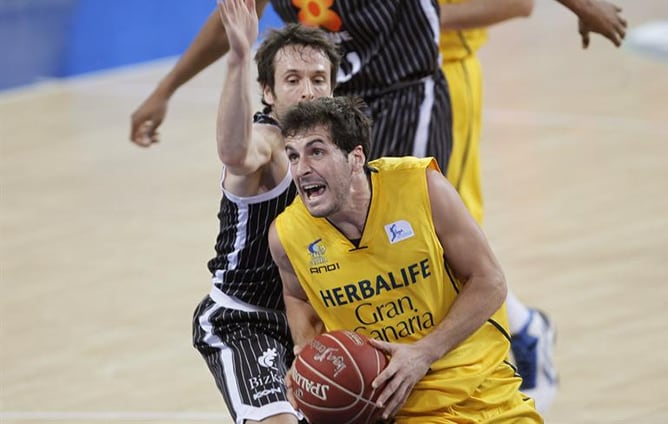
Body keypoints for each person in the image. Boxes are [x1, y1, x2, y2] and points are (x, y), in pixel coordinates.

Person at [267, 96, 542, 423]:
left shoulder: (422, 187)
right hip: (399, 408)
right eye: (293, 156)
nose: (301, 169)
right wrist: (308, 355)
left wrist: (424, 352)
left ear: (356, 158)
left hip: (486, 390)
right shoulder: (287, 236)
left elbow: (490, 281)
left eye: (316, 152)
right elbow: (297, 294)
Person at [437, 0, 627, 411]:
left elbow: (519, 4)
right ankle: (523, 327)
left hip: (442, 77)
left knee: (449, 238)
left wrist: (412, 24)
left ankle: (509, 349)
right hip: (360, 80)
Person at [184, 1, 340, 423]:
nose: (307, 91)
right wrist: (237, 58)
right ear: (268, 92)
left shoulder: (342, 151)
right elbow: (236, 152)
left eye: (318, 79)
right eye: (292, 80)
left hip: (313, 320)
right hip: (245, 318)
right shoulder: (270, 145)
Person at [130, 0, 453, 187]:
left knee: (407, 218)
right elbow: (231, 22)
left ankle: (486, 297)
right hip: (326, 102)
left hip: (406, 93)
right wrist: (165, 89)